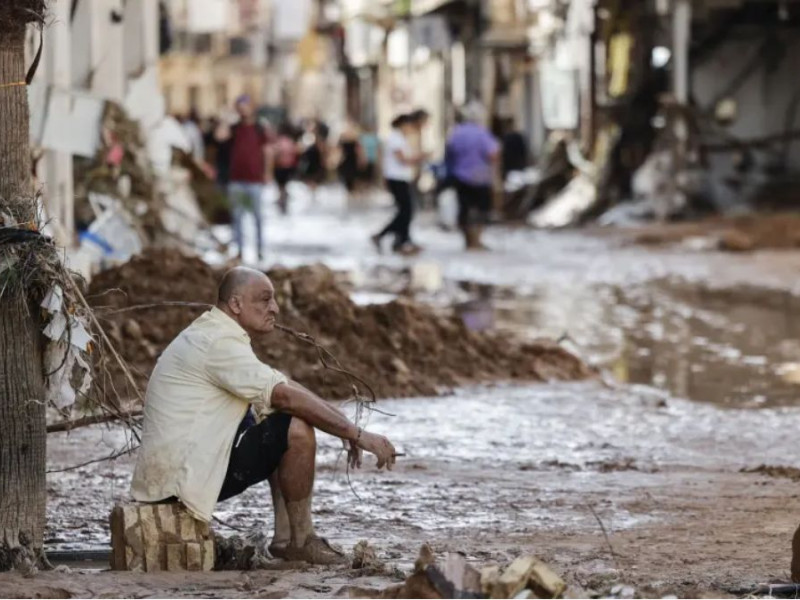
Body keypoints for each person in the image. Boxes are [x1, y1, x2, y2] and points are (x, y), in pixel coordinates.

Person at [131, 267, 398, 565]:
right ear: (235, 304)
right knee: (294, 426)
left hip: (175, 475)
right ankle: (299, 540)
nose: (275, 308)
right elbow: (285, 396)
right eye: (265, 300)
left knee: (275, 414)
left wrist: (347, 428)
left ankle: (284, 540)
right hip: (179, 482)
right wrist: (357, 435)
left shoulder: (215, 333)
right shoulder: (218, 343)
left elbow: (282, 385)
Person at [445, 102, 500, 250]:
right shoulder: (482, 133)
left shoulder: (456, 132)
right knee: (481, 210)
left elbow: (450, 152)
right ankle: (477, 240)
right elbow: (493, 154)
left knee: (464, 209)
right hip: (480, 177)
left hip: (460, 176)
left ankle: (468, 241)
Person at [371, 114, 428, 255]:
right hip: (396, 179)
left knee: (406, 211)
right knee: (405, 211)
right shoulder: (395, 138)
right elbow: (403, 159)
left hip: (402, 178)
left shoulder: (401, 138)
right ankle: (383, 235)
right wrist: (420, 157)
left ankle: (401, 241)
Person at [225, 95, 273, 260]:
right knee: (237, 217)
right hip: (236, 179)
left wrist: (267, 172)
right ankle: (239, 250)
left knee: (257, 217)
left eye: (245, 105)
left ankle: (260, 249)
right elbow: (219, 137)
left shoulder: (260, 128)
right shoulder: (234, 127)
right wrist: (226, 117)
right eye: (239, 106)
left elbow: (267, 151)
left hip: (255, 180)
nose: (242, 109)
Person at [273, 122, 299, 215]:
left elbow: (275, 153)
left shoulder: (278, 141)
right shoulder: (290, 141)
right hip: (287, 167)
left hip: (280, 167)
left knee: (281, 186)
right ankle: (283, 199)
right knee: (283, 186)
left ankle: (282, 199)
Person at [337, 120, 364, 201]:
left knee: (354, 175)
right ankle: (349, 192)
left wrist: (361, 159)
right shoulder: (341, 136)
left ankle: (354, 192)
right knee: (346, 176)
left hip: (352, 159)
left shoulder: (355, 137)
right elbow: (339, 149)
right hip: (345, 159)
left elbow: (359, 149)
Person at [358, 124, 380, 188]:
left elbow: (377, 149)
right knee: (363, 174)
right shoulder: (363, 137)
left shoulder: (374, 137)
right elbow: (360, 148)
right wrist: (362, 158)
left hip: (372, 158)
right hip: (365, 158)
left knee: (371, 174)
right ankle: (362, 187)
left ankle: (368, 187)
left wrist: (378, 158)